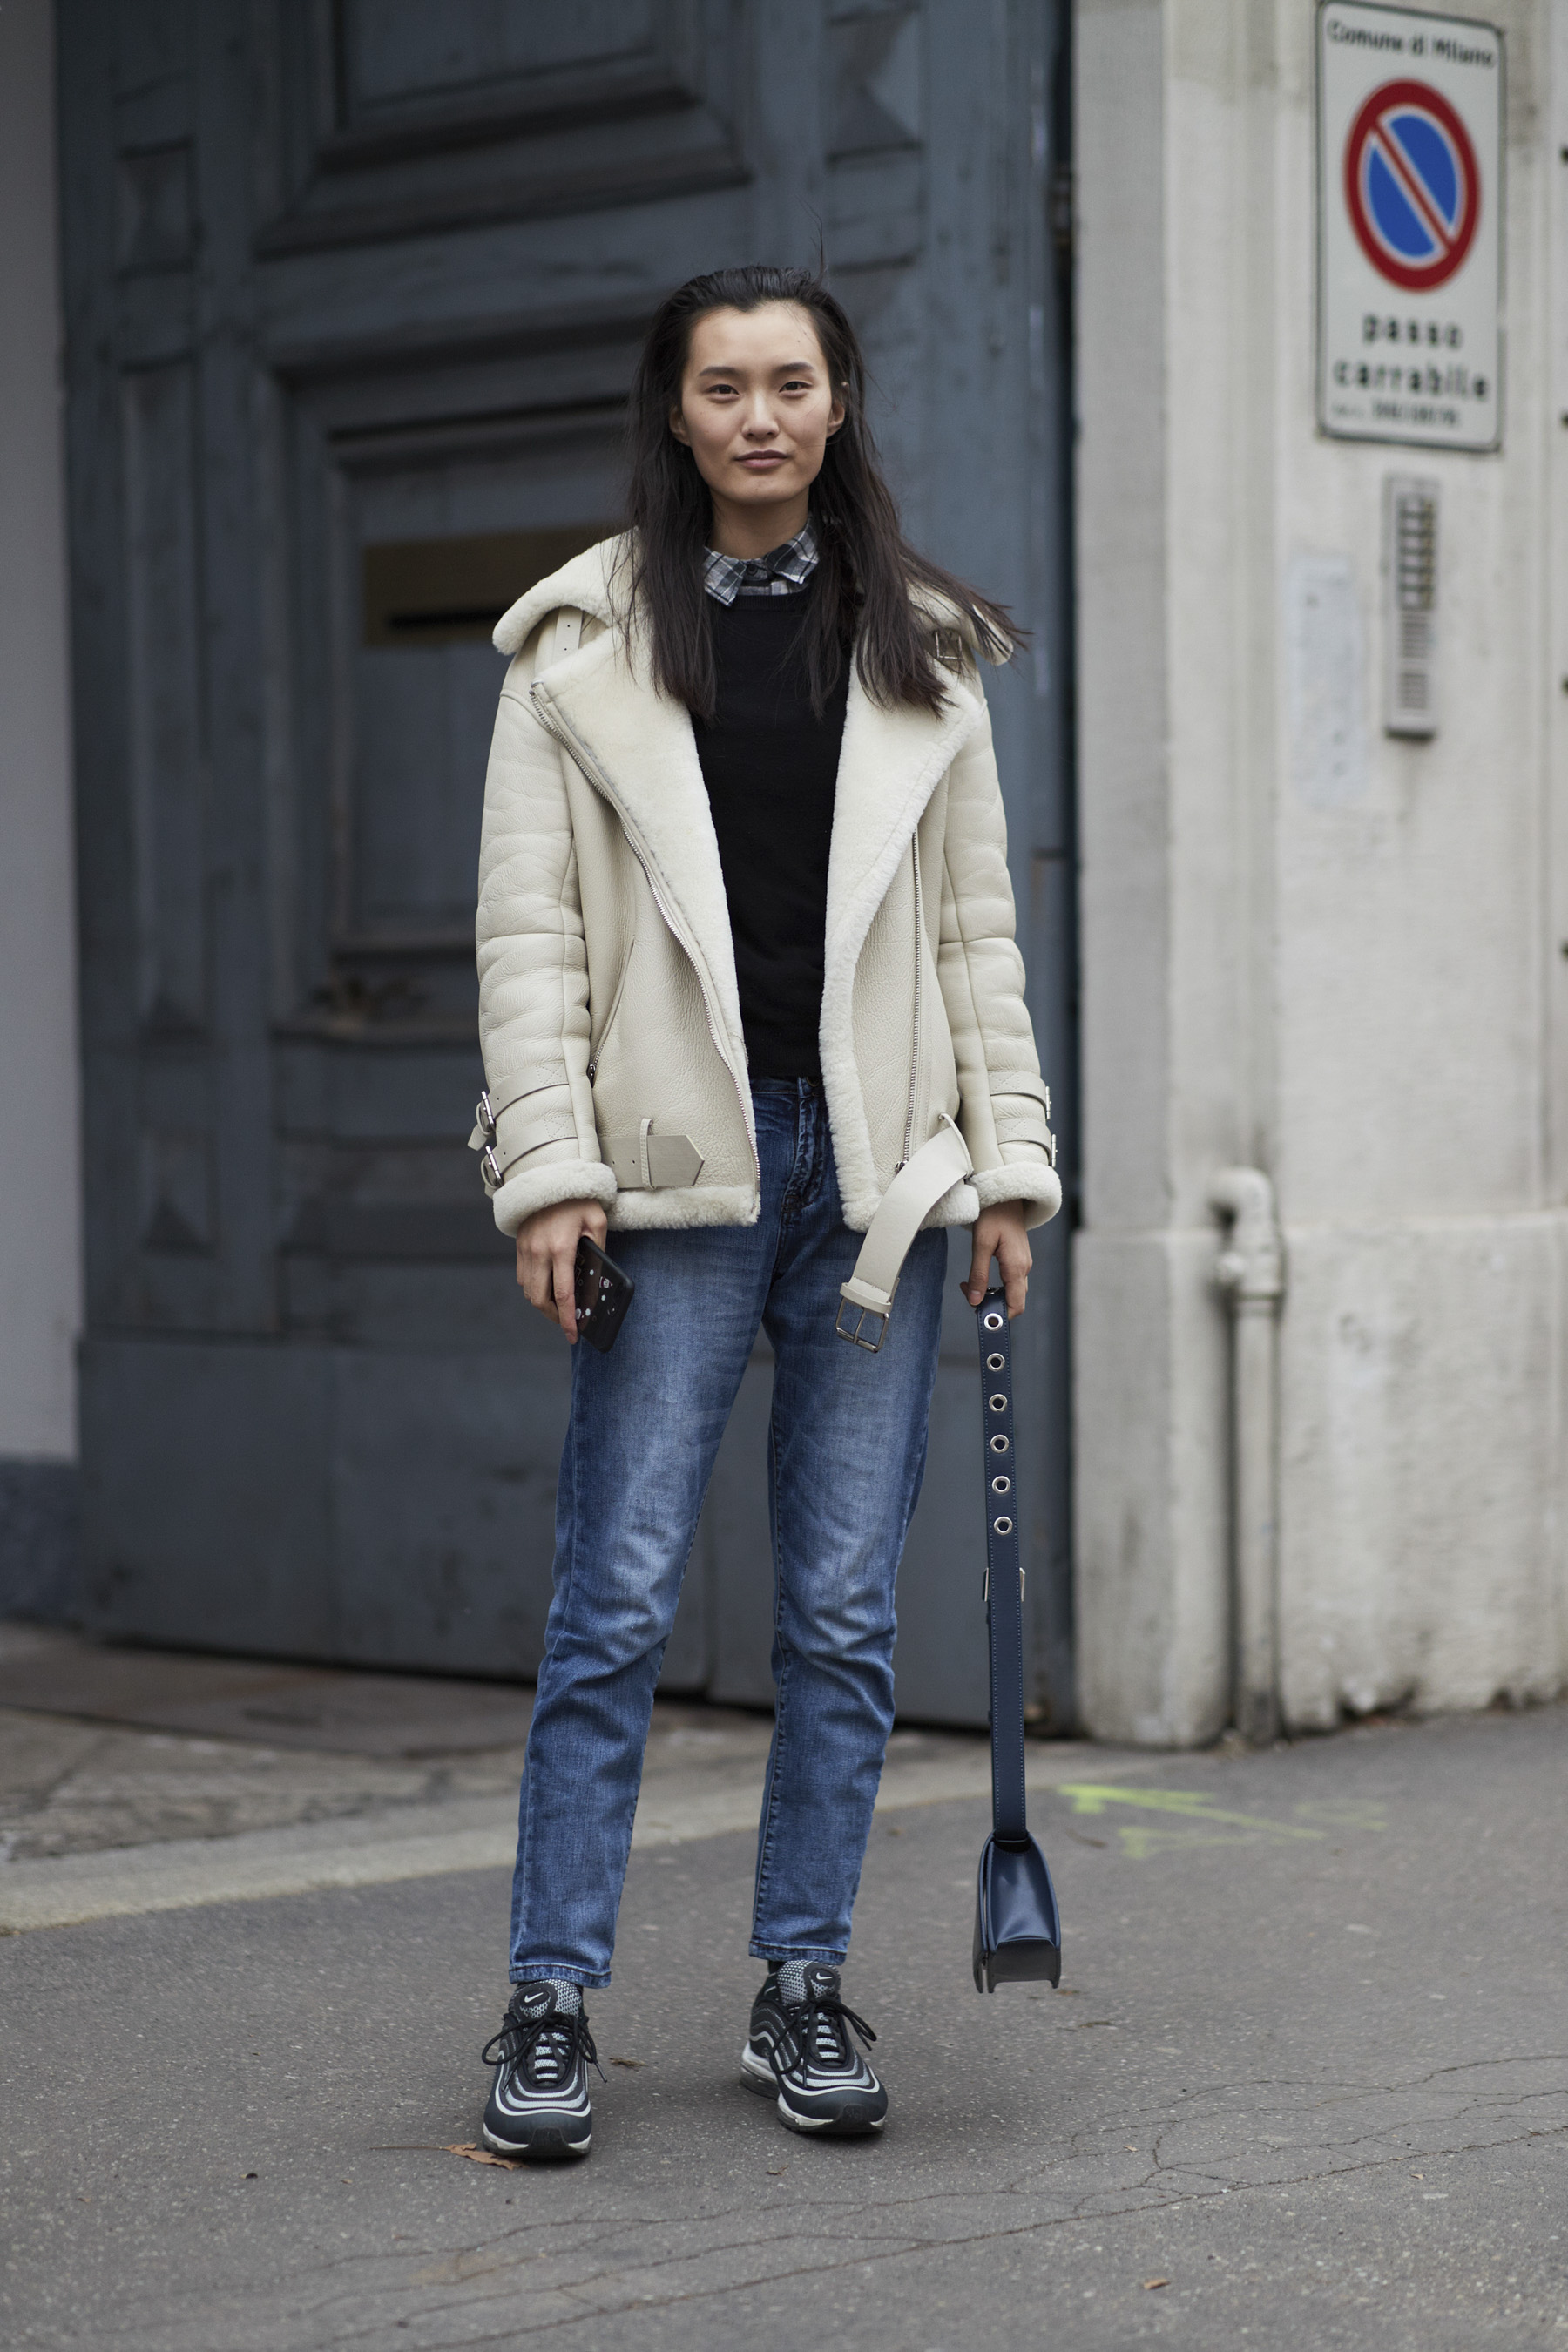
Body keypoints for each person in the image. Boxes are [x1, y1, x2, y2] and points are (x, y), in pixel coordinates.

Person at [472, 265, 1060, 2159]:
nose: (759, 416)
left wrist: (1010, 1168)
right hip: (677, 1181)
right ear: (675, 409)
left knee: (843, 1611)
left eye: (791, 382)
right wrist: (551, 1173)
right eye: (723, 386)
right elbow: (533, 942)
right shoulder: (578, 646)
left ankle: (802, 1982)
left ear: (837, 402)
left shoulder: (925, 650)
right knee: (616, 1600)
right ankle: (550, 1999)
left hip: (878, 1180)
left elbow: (975, 938)